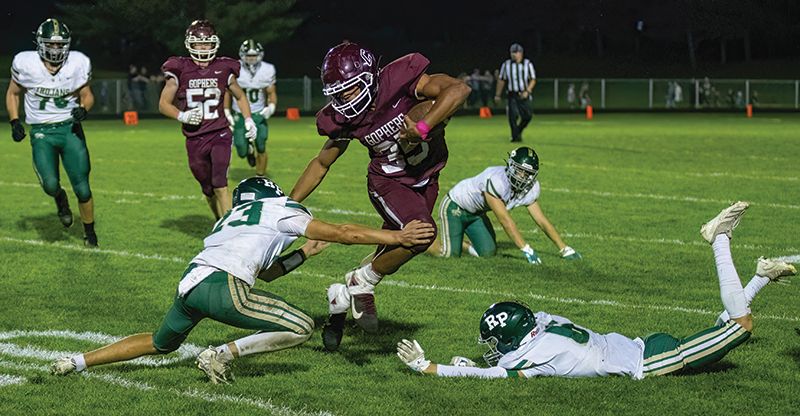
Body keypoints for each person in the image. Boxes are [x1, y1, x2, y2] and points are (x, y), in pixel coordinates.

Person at [50, 177, 435, 383]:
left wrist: (303, 253)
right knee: (302, 326)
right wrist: (396, 237)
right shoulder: (279, 209)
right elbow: (345, 231)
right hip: (223, 285)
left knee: (159, 342)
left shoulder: (228, 220)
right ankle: (219, 355)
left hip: (191, 283)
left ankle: (76, 362)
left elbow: (266, 271)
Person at [397, 201, 796, 379]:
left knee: (740, 328)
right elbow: (500, 365)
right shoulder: (545, 321)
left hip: (651, 364)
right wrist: (477, 365)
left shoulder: (526, 358)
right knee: (724, 326)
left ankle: (719, 239)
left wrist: (430, 367)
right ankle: (760, 277)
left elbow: (494, 376)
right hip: (643, 346)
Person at [289, 42, 470, 350]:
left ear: (370, 77)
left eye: (350, 89)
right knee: (421, 234)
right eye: (338, 93)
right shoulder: (344, 119)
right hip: (389, 183)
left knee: (390, 254)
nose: (344, 99)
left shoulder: (401, 80)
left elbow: (458, 90)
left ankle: (340, 296)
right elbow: (321, 163)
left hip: (426, 178)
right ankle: (363, 281)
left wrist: (423, 125)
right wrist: (288, 205)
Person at [5, 18, 99, 247]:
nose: (55, 49)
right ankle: (60, 198)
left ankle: (89, 233)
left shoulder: (77, 63)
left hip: (69, 129)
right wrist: (14, 121)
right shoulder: (25, 63)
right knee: (49, 184)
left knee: (83, 187)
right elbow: (13, 93)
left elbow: (87, 95)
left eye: (60, 45)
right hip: (41, 132)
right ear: (39, 43)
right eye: (51, 44)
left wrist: (83, 109)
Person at [159, 20, 257, 220]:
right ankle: (219, 220)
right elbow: (163, 104)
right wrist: (182, 115)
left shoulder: (223, 67)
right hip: (194, 138)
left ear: (215, 44)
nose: (203, 48)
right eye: (198, 43)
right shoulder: (179, 68)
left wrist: (249, 119)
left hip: (220, 133)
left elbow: (239, 95)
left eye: (207, 43)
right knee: (207, 187)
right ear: (189, 44)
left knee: (221, 183)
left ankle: (230, 229)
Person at [427, 146, 580, 263]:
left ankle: (455, 239)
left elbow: (541, 220)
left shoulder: (530, 188)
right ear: (511, 166)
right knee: (447, 255)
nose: (523, 177)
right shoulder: (497, 181)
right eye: (520, 171)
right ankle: (424, 241)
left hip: (476, 214)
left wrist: (564, 248)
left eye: (528, 174)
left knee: (487, 253)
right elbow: (505, 220)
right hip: (455, 206)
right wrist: (525, 248)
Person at [224, 39, 277, 175]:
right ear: (242, 55)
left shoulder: (267, 69)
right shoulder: (235, 68)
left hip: (258, 113)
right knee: (241, 150)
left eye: (254, 55)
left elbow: (271, 92)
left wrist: (271, 107)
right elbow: (228, 92)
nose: (251, 58)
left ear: (260, 55)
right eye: (249, 56)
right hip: (239, 114)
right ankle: (248, 151)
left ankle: (261, 176)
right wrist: (227, 111)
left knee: (261, 145)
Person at [494, 43, 536, 142]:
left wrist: (527, 91)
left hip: (524, 94)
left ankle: (518, 131)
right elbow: (501, 80)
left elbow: (533, 79)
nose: (514, 54)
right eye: (512, 52)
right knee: (513, 116)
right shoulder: (506, 65)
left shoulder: (527, 64)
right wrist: (497, 95)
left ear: (521, 53)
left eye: (516, 52)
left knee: (528, 116)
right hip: (512, 94)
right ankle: (515, 137)